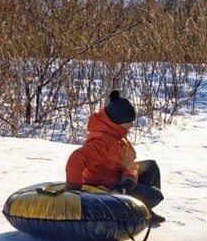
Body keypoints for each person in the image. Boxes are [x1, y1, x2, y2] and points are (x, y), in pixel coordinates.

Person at [65, 90, 166, 223]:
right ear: (119, 121)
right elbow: (76, 159)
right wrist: (74, 193)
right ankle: (135, 212)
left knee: (150, 166)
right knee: (154, 195)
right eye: (129, 121)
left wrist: (129, 177)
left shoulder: (116, 133)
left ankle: (145, 211)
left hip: (118, 178)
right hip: (104, 187)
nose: (132, 125)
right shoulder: (102, 141)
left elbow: (129, 161)